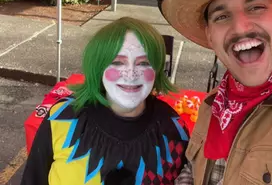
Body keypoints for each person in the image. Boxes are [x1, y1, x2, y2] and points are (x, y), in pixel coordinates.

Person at [158, 0, 272, 184]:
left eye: (256, 7)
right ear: (209, 35)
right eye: (222, 16)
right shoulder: (214, 104)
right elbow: (194, 169)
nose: (240, 28)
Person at [20, 17, 189, 185]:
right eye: (117, 62)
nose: (130, 74)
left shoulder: (173, 129)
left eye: (144, 63)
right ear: (98, 67)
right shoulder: (63, 116)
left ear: (158, 69)